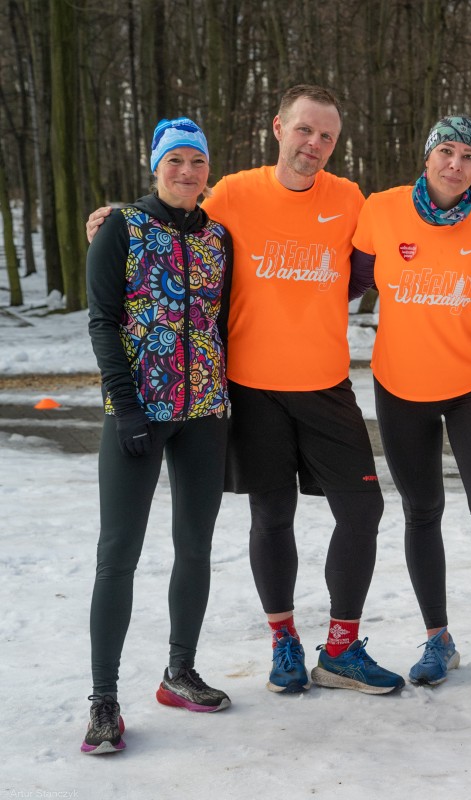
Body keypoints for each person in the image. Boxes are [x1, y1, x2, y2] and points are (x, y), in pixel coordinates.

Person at [87, 85, 402, 697]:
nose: (314, 145)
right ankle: (284, 643)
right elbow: (161, 220)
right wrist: (108, 220)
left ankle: (340, 649)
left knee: (364, 509)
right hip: (251, 388)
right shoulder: (229, 194)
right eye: (305, 130)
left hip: (324, 384)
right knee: (271, 514)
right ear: (277, 127)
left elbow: (396, 246)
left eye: (328, 137)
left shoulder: (349, 200)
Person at [351, 116, 471, 690]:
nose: (456, 164)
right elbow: (338, 275)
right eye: (446, 151)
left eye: (468, 157)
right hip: (400, 387)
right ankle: (437, 640)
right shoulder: (380, 209)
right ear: (426, 157)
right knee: (421, 511)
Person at [83, 117, 234, 754]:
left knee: (195, 547)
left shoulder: (220, 238)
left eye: (197, 162)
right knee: (118, 554)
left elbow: (226, 321)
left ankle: (180, 672)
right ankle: (103, 700)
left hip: (205, 413)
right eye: (175, 160)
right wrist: (126, 405)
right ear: (155, 166)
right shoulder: (121, 227)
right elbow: (102, 321)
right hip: (137, 413)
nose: (187, 172)